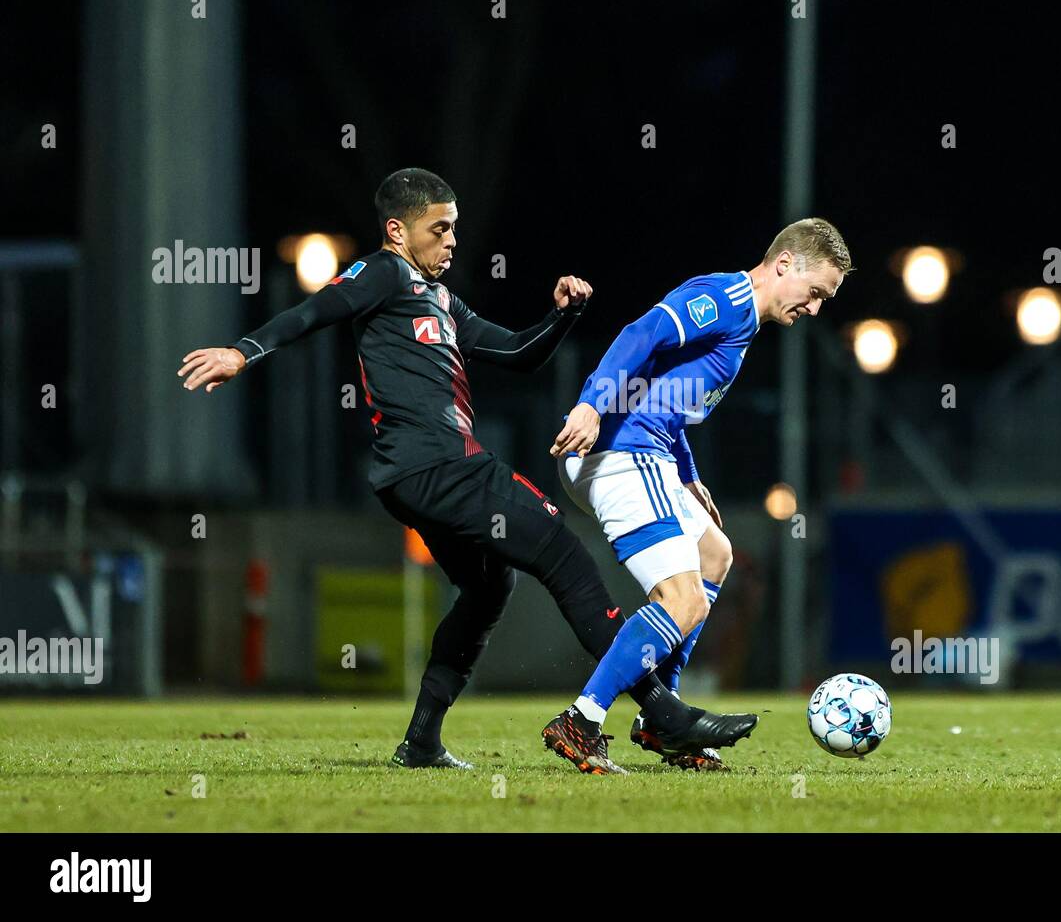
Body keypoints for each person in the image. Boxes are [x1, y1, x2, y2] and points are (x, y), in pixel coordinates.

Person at [178, 168, 753, 772]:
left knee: (487, 588)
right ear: (398, 231)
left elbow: (516, 353)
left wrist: (563, 318)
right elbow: (317, 309)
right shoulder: (382, 271)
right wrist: (243, 351)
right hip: (441, 464)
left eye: (455, 228)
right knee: (563, 553)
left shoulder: (442, 299)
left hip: (417, 478)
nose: (452, 241)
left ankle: (422, 740)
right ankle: (658, 713)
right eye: (440, 228)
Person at [542, 218, 852, 774]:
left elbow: (667, 393)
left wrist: (686, 475)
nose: (816, 309)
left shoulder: (744, 322)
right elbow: (641, 336)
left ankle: (664, 719)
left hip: (647, 450)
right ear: (785, 265)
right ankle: (582, 721)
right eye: (816, 293)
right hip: (618, 449)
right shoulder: (726, 298)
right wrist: (590, 403)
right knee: (681, 599)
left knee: (716, 553)